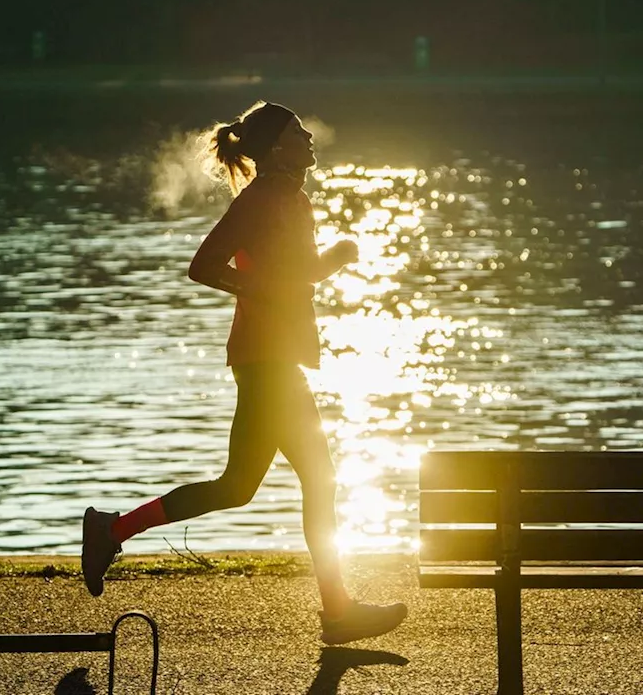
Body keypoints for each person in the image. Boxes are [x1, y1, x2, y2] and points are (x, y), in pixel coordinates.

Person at [81, 101, 408, 646]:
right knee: (311, 481)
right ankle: (337, 611)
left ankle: (112, 529)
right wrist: (313, 267)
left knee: (240, 487)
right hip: (266, 361)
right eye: (297, 131)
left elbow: (293, 274)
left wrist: (326, 263)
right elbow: (204, 266)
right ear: (277, 147)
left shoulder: (288, 197)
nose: (308, 136)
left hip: (275, 359)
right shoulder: (263, 198)